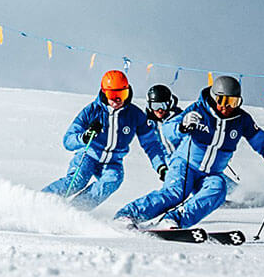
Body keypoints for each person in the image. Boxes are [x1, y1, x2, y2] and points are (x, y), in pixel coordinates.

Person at [116, 75, 264, 230]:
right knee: (176, 192)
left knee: (218, 190)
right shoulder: (199, 110)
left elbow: (261, 141)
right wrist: (182, 126)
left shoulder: (241, 120)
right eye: (222, 100)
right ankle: (128, 214)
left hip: (211, 173)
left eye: (233, 102)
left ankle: (173, 220)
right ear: (214, 97)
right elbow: (168, 129)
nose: (227, 107)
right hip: (185, 164)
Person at [43, 70, 170, 210]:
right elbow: (68, 140)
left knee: (113, 180)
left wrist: (161, 166)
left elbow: (151, 144)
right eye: (112, 95)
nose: (117, 100)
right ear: (104, 93)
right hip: (89, 156)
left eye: (122, 95)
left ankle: (74, 210)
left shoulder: (135, 115)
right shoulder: (92, 111)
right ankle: (41, 200)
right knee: (77, 181)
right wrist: (84, 137)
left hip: (112, 161)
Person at [143, 84, 182, 178]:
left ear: (169, 104)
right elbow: (152, 148)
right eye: (155, 106)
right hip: (169, 165)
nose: (159, 110)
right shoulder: (149, 125)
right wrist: (160, 167)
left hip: (186, 161)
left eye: (163, 105)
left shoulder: (179, 118)